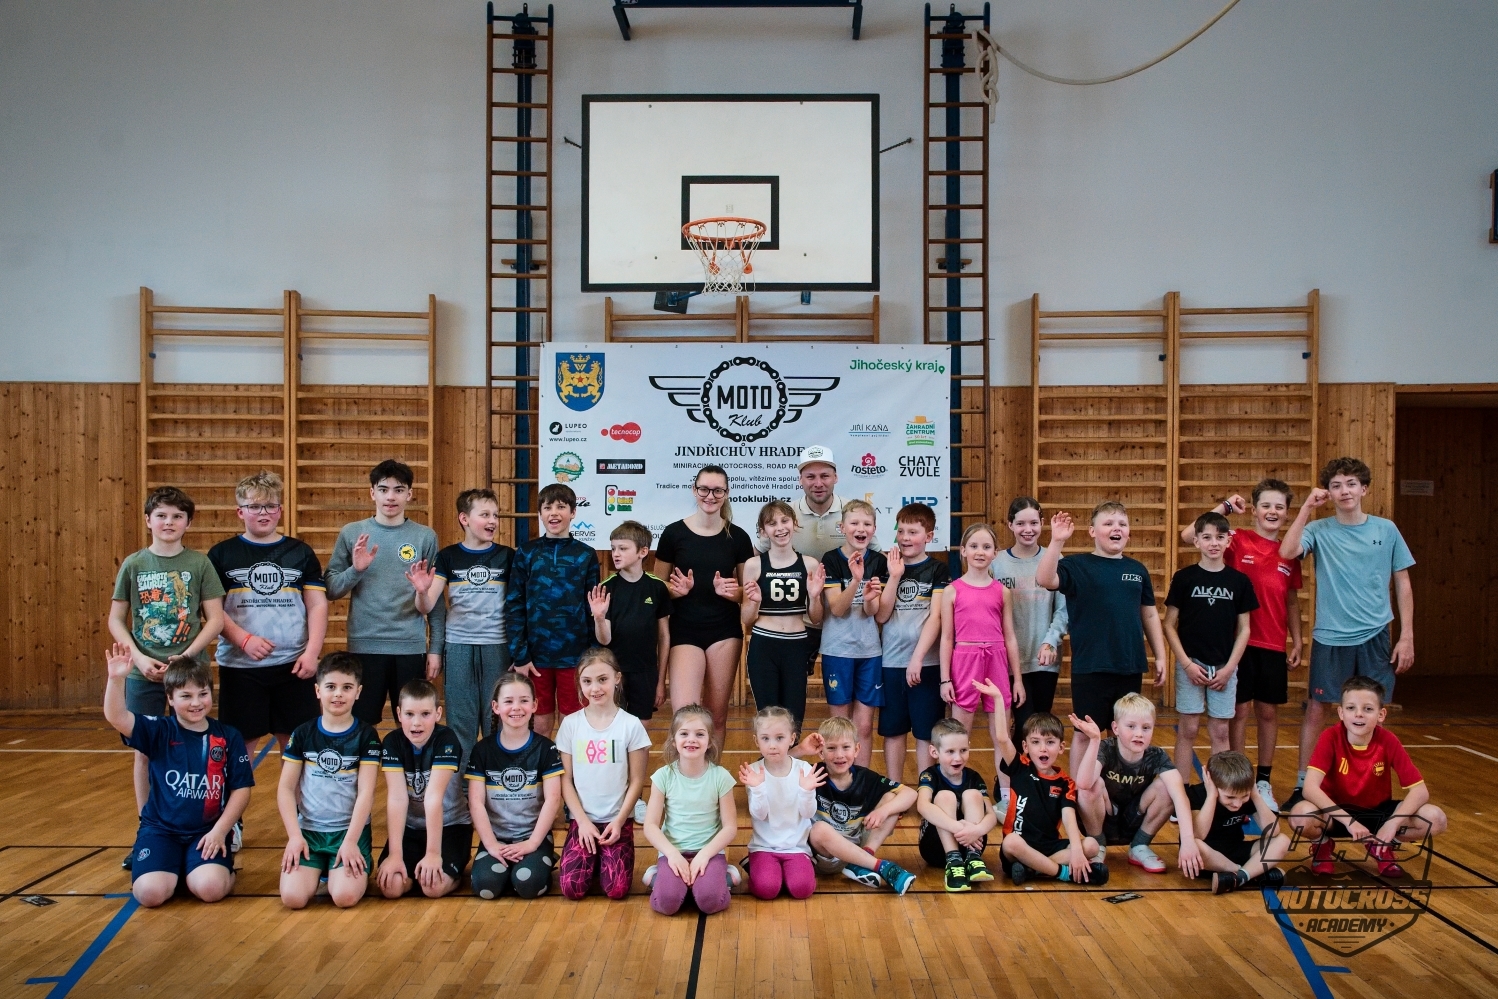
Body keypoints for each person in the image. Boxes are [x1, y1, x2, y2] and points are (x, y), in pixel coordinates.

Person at [1280, 457, 1416, 800]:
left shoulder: (1386, 530)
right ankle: (1302, 785)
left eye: (1351, 484)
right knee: (1318, 708)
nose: (1344, 491)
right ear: (1329, 491)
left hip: (1375, 635)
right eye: (1336, 485)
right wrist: (1306, 508)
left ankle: (1366, 785)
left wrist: (1407, 636)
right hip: (1331, 637)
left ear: (1364, 489)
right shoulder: (1319, 530)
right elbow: (1288, 550)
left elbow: (1403, 584)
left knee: (1372, 710)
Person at [109, 485, 226, 829]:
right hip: (142, 673)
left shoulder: (199, 563)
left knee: (191, 748)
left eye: (177, 516)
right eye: (161, 515)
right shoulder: (134, 564)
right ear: (148, 520)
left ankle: (194, 821)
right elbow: (115, 619)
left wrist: (186, 657)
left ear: (188, 522)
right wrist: (138, 658)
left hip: (189, 673)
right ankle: (148, 825)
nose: (169, 522)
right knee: (144, 752)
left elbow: (215, 619)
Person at [1181, 480, 1302, 810]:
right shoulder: (1237, 540)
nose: (1272, 511)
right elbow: (1190, 535)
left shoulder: (1289, 552)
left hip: (1273, 643)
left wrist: (1298, 639)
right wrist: (1224, 508)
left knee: (1268, 711)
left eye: (1279, 507)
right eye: (1266, 505)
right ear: (1254, 510)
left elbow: (1291, 600)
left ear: (1287, 513)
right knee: (1240, 711)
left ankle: (1263, 780)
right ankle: (1236, 777)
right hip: (1237, 643)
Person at [103, 645, 252, 907]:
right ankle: (176, 869)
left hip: (206, 831)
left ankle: (211, 871)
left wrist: (220, 831)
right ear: (170, 699)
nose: (196, 703)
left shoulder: (228, 736)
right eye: (186, 696)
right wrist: (116, 680)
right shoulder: (159, 730)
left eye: (203, 694)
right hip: (160, 831)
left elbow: (241, 789)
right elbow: (117, 717)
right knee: (150, 894)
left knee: (210, 889)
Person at [1036, 502, 1169, 769]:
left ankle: (1118, 787)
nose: (1116, 528)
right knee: (1086, 733)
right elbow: (1045, 579)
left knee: (1125, 733)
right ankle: (1078, 790)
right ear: (1092, 531)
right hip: (1091, 667)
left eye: (1122, 524)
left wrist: (1161, 655)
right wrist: (1057, 541)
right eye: (1108, 523)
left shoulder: (1138, 570)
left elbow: (1149, 615)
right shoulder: (1077, 565)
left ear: (1128, 532)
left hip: (1129, 666)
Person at [208, 471, 327, 757]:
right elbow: (212, 610)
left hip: (293, 666)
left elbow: (317, 605)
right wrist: (244, 639)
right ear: (240, 511)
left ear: (280, 510)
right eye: (254, 506)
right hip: (240, 668)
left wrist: (312, 653)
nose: (264, 513)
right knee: (239, 750)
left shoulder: (300, 552)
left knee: (297, 749)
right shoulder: (222, 554)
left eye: (270, 506)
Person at [1288, 676, 1446, 878]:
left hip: (1377, 813)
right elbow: (1310, 788)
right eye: (1351, 708)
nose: (1359, 714)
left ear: (1381, 715)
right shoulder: (1330, 737)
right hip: (1336, 814)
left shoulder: (1388, 740)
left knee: (1435, 818)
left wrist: (1392, 824)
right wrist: (1349, 822)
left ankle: (1381, 845)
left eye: (1368, 709)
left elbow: (1420, 791)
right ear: (1341, 713)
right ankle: (1322, 845)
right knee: (1300, 816)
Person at [325, 460, 441, 726]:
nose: (391, 497)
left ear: (409, 494)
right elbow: (331, 589)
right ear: (372, 493)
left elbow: (434, 599)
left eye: (399, 490)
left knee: (413, 724)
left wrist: (434, 649)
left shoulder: (425, 537)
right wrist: (356, 570)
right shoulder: (352, 533)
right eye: (383, 489)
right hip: (365, 646)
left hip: (410, 647)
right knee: (362, 724)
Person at [412, 488, 513, 765]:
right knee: (461, 724)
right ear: (464, 519)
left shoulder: (507, 556)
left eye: (495, 515)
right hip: (457, 647)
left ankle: (495, 782)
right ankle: (463, 787)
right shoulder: (448, 557)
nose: (492, 521)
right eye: (485, 515)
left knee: (497, 720)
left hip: (497, 647)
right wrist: (422, 591)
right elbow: (425, 606)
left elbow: (519, 607)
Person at [277, 653, 384, 909]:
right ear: (318, 690)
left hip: (348, 832)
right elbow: (285, 789)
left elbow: (366, 793)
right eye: (331, 687)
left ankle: (344, 867)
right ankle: (321, 867)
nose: (338, 694)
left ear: (358, 692)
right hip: (309, 832)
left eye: (346, 687)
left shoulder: (366, 735)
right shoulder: (303, 734)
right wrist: (294, 836)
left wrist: (351, 841)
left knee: (344, 897)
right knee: (293, 898)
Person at [654, 465, 754, 738]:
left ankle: (711, 769)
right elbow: (655, 588)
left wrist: (732, 593)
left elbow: (748, 592)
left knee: (716, 717)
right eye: (704, 489)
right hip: (684, 630)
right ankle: (684, 768)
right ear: (694, 490)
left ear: (726, 493)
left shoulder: (739, 537)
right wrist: (676, 591)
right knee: (684, 717)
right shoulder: (673, 533)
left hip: (724, 632)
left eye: (718, 490)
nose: (710, 496)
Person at [1164, 511, 1258, 782]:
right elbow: (1168, 624)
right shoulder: (1184, 578)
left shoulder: (1239, 581)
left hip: (1223, 666)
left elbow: (1245, 629)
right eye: (1206, 537)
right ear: (1196, 541)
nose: (1213, 543)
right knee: (1189, 728)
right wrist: (1186, 664)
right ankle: (1181, 791)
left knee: (1220, 731)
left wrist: (1229, 669)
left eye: (1219, 537)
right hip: (1191, 665)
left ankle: (1221, 792)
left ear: (1229, 541)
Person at [756, 446, 862, 676]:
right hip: (800, 621)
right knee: (794, 685)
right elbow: (758, 555)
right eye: (810, 477)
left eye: (825, 476)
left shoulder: (853, 512)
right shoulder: (786, 515)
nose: (818, 483)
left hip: (845, 618)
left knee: (845, 688)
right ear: (800, 480)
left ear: (836, 477)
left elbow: (876, 554)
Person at [504, 482, 599, 739]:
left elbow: (593, 607)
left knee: (572, 726)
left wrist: (592, 656)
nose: (554, 513)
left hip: (575, 657)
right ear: (540, 513)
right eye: (547, 508)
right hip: (535, 658)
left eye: (561, 507)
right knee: (540, 724)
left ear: (573, 512)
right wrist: (520, 654)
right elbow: (514, 604)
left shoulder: (586, 555)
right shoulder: (526, 553)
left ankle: (569, 768)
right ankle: (542, 766)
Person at [556, 649, 652, 901]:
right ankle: (592, 859)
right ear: (579, 683)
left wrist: (619, 821)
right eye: (587, 681)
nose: (595, 688)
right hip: (583, 821)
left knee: (617, 890)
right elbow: (565, 780)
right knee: (572, 889)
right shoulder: (570, 724)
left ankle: (603, 859)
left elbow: (637, 781)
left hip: (616, 822)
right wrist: (582, 822)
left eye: (602, 679)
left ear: (617, 678)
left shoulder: (630, 725)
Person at [1073, 693, 1199, 876]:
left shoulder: (1157, 756)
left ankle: (1140, 845)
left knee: (1168, 786)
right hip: (1104, 818)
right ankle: (1098, 845)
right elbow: (1083, 785)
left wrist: (1188, 840)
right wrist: (1094, 740)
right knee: (1092, 785)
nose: (1139, 733)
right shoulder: (1106, 748)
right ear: (1115, 728)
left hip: (1134, 820)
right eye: (1131, 726)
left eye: (1146, 728)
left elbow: (1180, 796)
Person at [466, 671, 565, 898]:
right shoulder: (482, 750)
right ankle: (505, 869)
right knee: (486, 886)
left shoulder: (546, 748)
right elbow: (476, 802)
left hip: (533, 836)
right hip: (496, 837)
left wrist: (532, 843)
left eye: (523, 700)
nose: (516, 708)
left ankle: (539, 861)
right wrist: (491, 844)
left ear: (534, 705)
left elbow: (552, 800)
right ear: (496, 707)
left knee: (529, 885)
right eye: (508, 701)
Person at [939, 522, 1022, 781]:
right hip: (965, 662)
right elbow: (947, 638)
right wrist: (945, 679)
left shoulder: (1002, 592)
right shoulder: (952, 590)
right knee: (958, 736)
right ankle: (955, 789)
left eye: (986, 547)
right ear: (963, 550)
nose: (980, 552)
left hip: (996, 661)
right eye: (974, 546)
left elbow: (1010, 636)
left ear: (995, 553)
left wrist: (1017, 679)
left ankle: (1006, 793)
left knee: (1001, 735)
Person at [375, 679, 471, 899]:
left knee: (433, 887)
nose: (416, 723)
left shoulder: (446, 740)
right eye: (409, 714)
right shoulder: (392, 742)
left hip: (450, 826)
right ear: (398, 714)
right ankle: (413, 867)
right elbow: (397, 798)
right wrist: (395, 855)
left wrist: (433, 853)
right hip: (411, 828)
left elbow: (433, 798)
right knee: (391, 888)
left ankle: (452, 873)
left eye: (425, 714)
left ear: (438, 714)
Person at [990, 706, 1106, 887]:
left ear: (1061, 747)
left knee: (1091, 845)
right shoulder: (1020, 767)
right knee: (1011, 842)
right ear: (1025, 746)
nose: (1043, 749)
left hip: (1050, 846)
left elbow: (1068, 817)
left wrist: (1077, 850)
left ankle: (1033, 869)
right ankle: (1063, 873)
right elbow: (1002, 738)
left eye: (1050, 742)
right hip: (1019, 849)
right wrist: (998, 698)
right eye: (1035, 742)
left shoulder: (1065, 783)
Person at [875, 502, 950, 782]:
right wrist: (894, 577)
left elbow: (936, 617)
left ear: (928, 536)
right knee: (893, 731)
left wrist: (917, 658)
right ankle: (895, 787)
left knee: (925, 732)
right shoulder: (886, 568)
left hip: (927, 664)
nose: (905, 538)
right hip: (891, 663)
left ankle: (925, 789)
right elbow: (881, 615)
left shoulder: (938, 570)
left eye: (913, 532)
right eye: (901, 531)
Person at [642, 704, 739, 916]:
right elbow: (650, 826)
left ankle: (723, 877)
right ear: (673, 740)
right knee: (667, 903)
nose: (691, 740)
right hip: (673, 852)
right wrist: (671, 854)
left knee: (710, 902)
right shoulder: (663, 776)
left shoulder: (721, 777)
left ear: (710, 741)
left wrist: (704, 855)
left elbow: (730, 827)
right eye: (684, 734)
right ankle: (660, 877)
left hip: (709, 852)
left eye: (700, 734)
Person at [807, 716, 918, 895]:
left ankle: (863, 860)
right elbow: (778, 765)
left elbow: (911, 794)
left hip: (856, 851)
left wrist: (883, 811)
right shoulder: (811, 773)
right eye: (831, 748)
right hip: (823, 857)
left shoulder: (865, 777)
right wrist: (801, 749)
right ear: (821, 752)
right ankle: (881, 866)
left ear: (857, 749)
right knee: (819, 829)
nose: (839, 755)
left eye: (846, 747)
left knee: (891, 798)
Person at [741, 501, 825, 730]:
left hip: (796, 646)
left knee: (794, 719)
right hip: (764, 645)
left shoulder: (809, 564)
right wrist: (755, 602)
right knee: (768, 718)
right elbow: (746, 619)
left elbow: (816, 618)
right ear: (763, 531)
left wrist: (814, 597)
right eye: (772, 523)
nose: (779, 528)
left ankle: (792, 754)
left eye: (784, 521)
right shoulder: (754, 565)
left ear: (794, 524)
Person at [819, 499, 889, 766]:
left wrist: (870, 598)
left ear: (874, 529)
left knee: (864, 727)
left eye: (867, 524)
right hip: (838, 651)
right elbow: (837, 608)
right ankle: (838, 780)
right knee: (839, 727)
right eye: (854, 523)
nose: (861, 528)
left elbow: (874, 612)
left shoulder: (879, 562)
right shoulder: (831, 559)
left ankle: (861, 781)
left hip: (869, 652)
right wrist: (856, 580)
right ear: (842, 527)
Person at [991, 497, 1068, 735]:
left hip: (1044, 659)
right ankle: (1017, 761)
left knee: (1039, 725)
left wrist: (1050, 641)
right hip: (1010, 660)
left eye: (1033, 523)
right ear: (1010, 525)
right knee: (1023, 722)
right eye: (1021, 523)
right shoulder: (996, 563)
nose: (1028, 529)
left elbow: (1062, 610)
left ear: (1042, 523)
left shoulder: (1055, 559)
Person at [589, 521, 671, 721]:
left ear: (643, 551)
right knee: (613, 729)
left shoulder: (657, 587)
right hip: (614, 672)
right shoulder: (607, 588)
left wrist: (661, 680)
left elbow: (664, 636)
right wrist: (599, 618)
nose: (615, 554)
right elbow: (604, 640)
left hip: (645, 673)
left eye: (623, 548)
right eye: (613, 548)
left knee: (640, 730)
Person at [739, 706, 823, 900]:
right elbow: (759, 815)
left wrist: (806, 791)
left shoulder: (804, 769)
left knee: (802, 889)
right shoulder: (754, 772)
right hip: (764, 847)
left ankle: (794, 869)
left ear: (792, 739)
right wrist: (758, 789)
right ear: (756, 741)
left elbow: (808, 814)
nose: (772, 745)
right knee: (766, 889)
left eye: (779, 738)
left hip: (796, 847)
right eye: (765, 739)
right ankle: (759, 866)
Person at [916, 717, 999, 892]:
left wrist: (977, 830)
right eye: (950, 751)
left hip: (972, 841)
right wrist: (957, 828)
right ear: (934, 752)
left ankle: (973, 859)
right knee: (945, 796)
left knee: (973, 794)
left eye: (963, 750)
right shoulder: (929, 775)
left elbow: (991, 815)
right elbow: (922, 806)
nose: (958, 757)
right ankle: (953, 861)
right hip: (935, 848)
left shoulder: (974, 777)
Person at [1189, 751, 1290, 895]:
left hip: (1236, 850)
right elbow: (1199, 834)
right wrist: (1211, 796)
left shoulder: (1246, 794)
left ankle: (1238, 877)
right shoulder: (1197, 794)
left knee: (1282, 840)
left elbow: (1272, 831)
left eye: (1244, 796)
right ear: (1212, 784)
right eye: (1230, 797)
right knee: (1194, 845)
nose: (1237, 804)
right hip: (1209, 859)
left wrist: (1255, 795)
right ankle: (1249, 873)